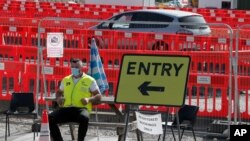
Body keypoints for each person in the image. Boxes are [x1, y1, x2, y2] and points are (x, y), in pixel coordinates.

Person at [49, 58, 102, 141]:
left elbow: (98, 96)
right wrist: (58, 98)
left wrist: (89, 99)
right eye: (72, 67)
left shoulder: (90, 80)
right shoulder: (66, 79)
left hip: (81, 109)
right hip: (67, 109)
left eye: (77, 67)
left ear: (82, 67)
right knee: (50, 117)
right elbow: (59, 92)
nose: (74, 69)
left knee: (84, 118)